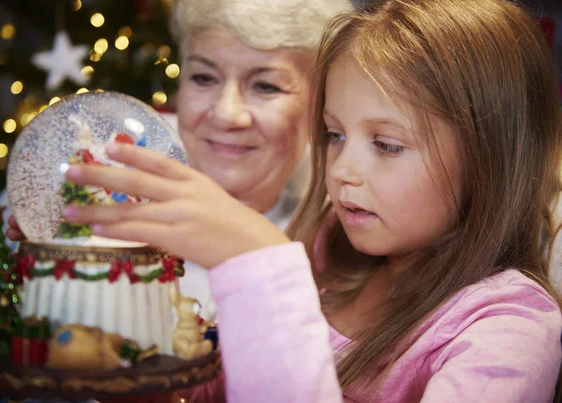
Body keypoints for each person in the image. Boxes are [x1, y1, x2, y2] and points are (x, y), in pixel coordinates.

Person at [59, 0, 562, 401]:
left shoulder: (508, 330)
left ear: (489, 157)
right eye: (333, 134)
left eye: (386, 145)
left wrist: (262, 269)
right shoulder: (327, 249)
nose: (341, 171)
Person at [0, 0, 352, 318]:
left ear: (319, 104)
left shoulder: (346, 218)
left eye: (266, 85)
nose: (226, 114)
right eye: (203, 78)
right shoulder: (92, 168)